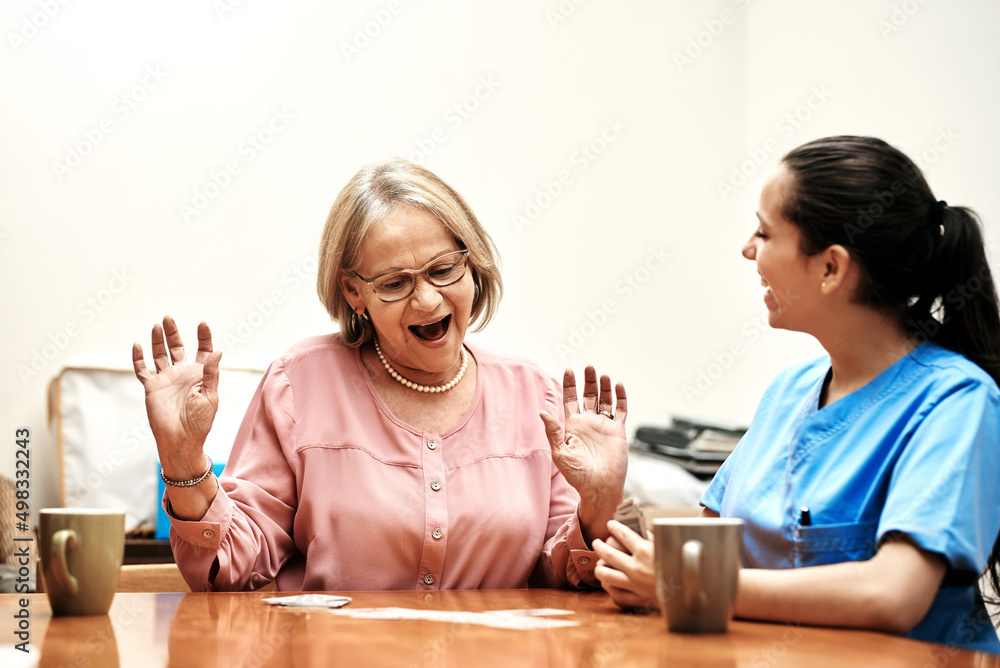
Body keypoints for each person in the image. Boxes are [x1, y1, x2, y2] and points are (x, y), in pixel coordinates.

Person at [132, 158, 629, 592]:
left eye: (443, 270)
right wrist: (181, 458)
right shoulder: (299, 385)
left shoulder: (532, 395)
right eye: (395, 283)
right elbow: (232, 569)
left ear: (472, 264)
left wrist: (599, 504)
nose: (428, 300)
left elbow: (562, 577)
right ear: (354, 293)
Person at [593, 136, 1000, 653]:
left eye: (764, 232)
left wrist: (691, 585)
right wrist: (603, 493)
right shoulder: (789, 392)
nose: (748, 249)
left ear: (830, 267)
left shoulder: (956, 402)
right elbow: (692, 558)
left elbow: (893, 595)